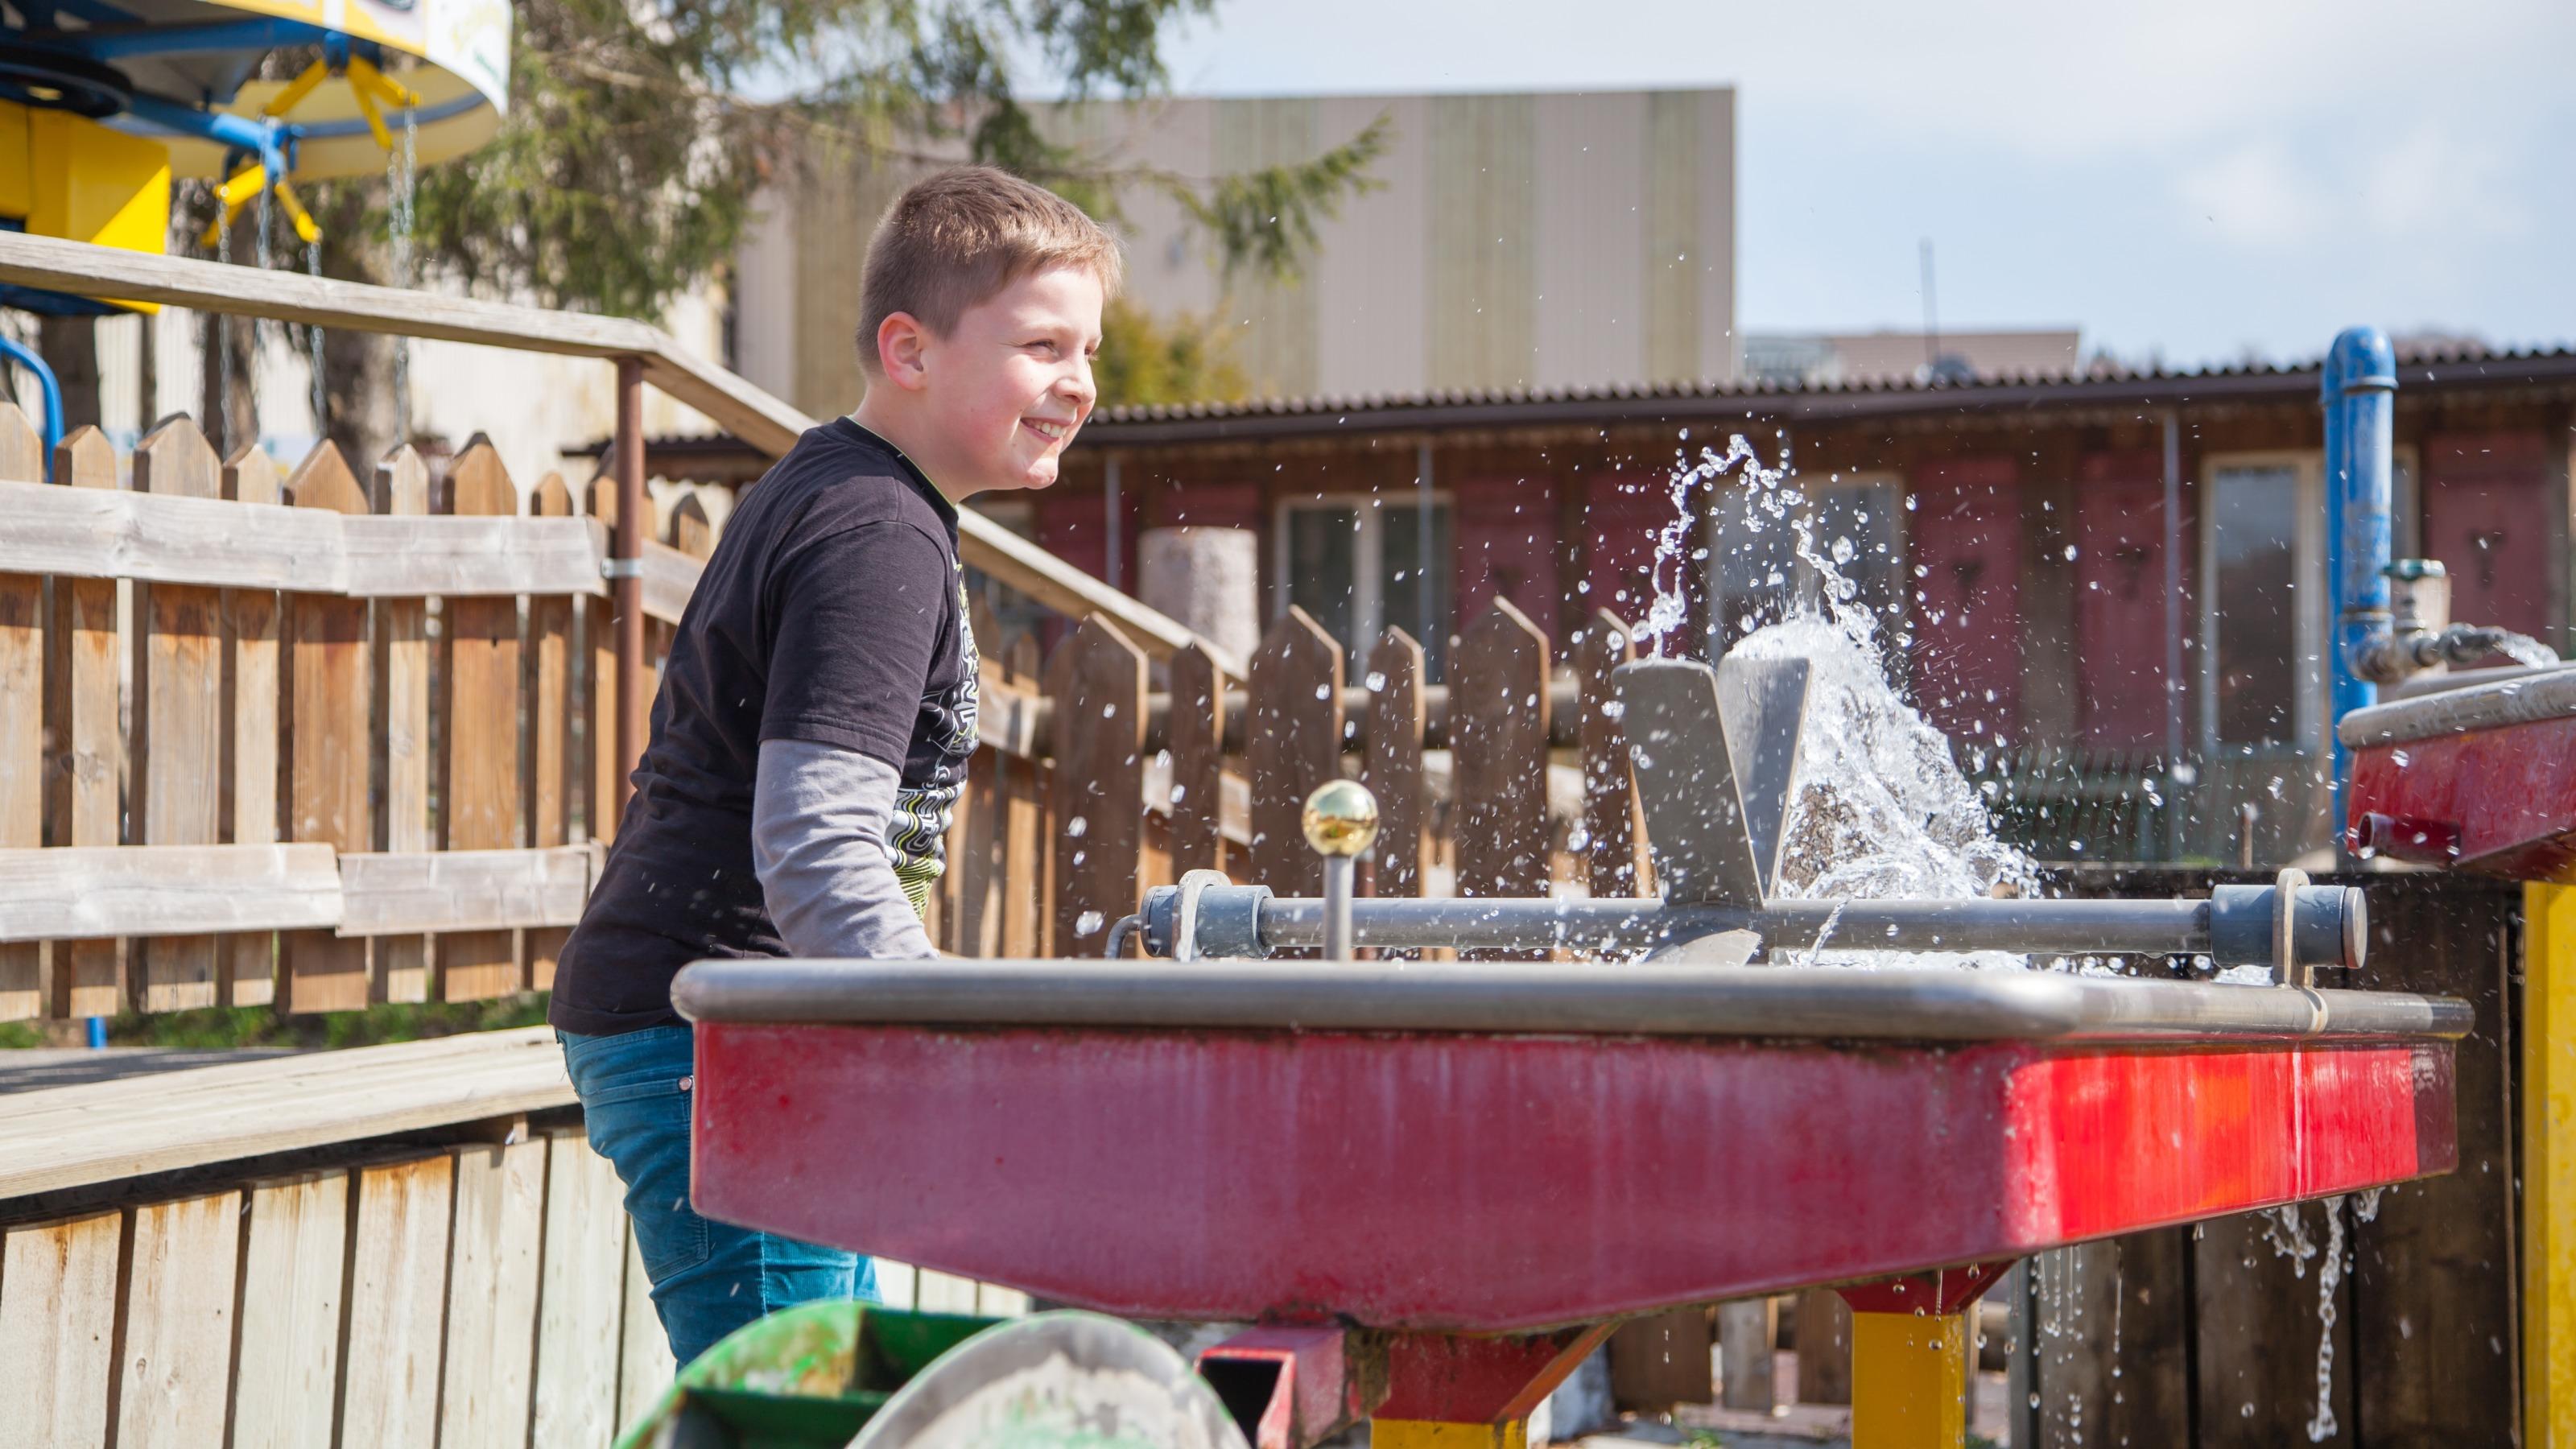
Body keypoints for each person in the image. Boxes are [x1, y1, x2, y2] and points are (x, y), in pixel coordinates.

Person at [547, 165, 1118, 1364]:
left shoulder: (857, 497)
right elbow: (814, 844)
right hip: (727, 1040)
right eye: (1042, 346)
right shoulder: (875, 534)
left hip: (749, 1029)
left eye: (1089, 351)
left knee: (818, 1402)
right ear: (910, 350)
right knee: (790, 1413)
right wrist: (946, 1033)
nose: (1079, 382)